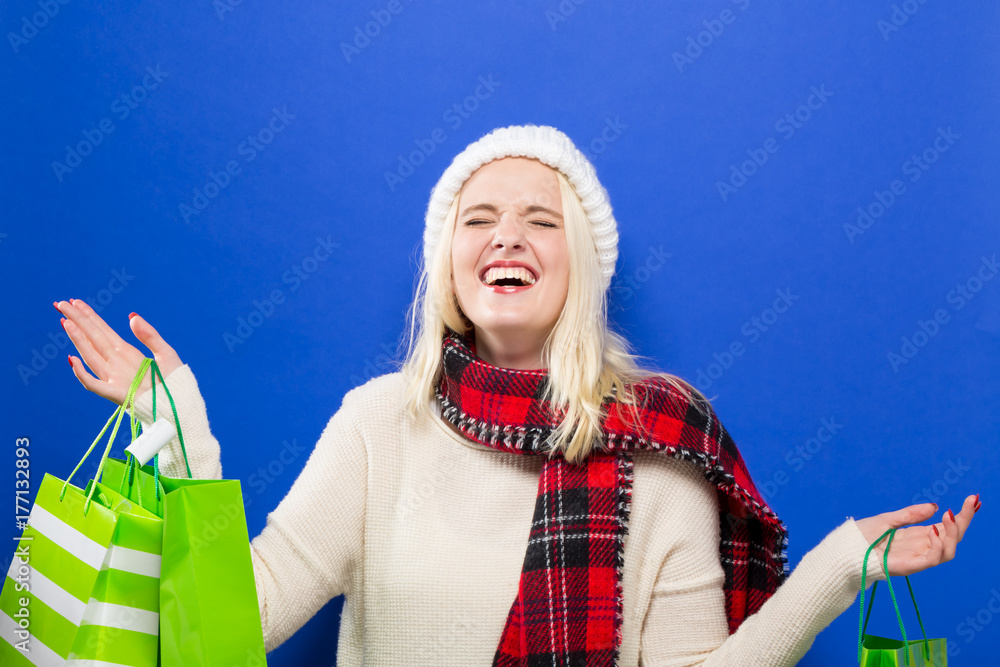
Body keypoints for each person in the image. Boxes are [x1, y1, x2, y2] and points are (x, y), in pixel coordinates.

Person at [53, 124, 978, 666]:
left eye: (542, 221)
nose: (509, 239)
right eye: (480, 220)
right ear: (447, 261)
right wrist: (181, 436)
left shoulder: (661, 442)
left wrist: (836, 566)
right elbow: (223, 632)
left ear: (580, 260)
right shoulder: (378, 425)